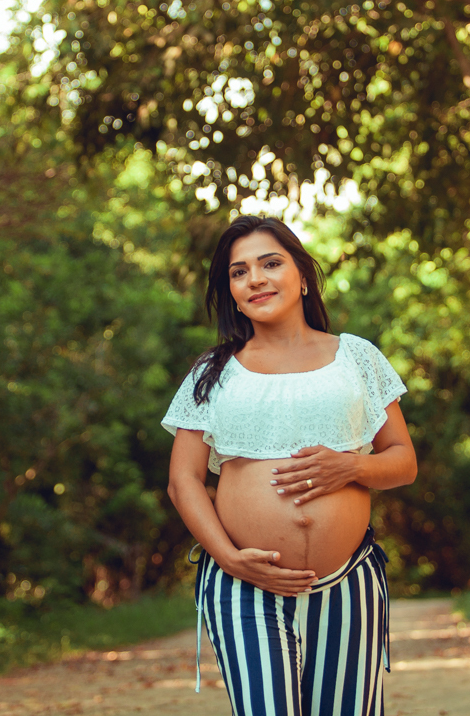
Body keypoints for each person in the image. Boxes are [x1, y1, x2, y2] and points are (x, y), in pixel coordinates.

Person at [162, 214, 417, 716]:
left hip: (349, 582)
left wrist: (352, 468)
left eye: (270, 263)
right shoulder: (212, 372)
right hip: (243, 586)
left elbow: (403, 460)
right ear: (231, 292)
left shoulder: (357, 358)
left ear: (302, 276)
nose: (254, 279)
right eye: (239, 272)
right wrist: (229, 559)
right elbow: (183, 481)